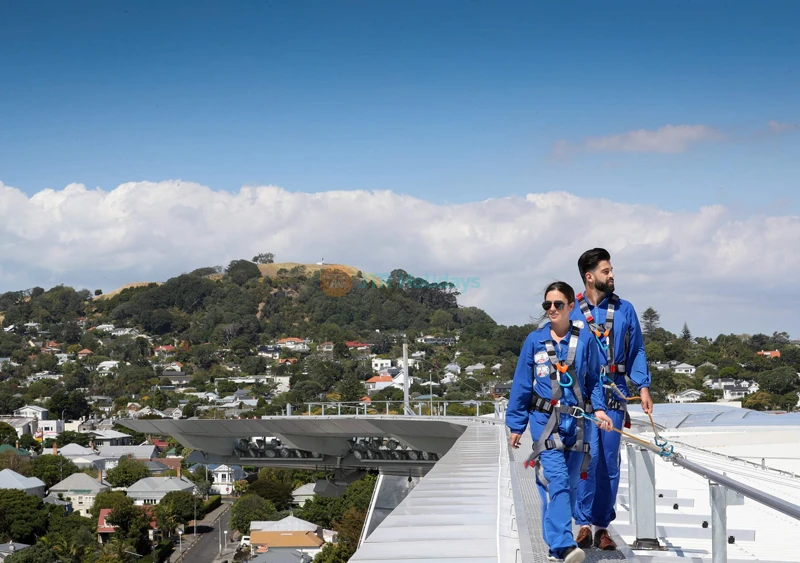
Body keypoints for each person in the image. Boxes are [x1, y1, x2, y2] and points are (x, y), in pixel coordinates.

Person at [507, 281, 613, 563]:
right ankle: (565, 544)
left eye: (557, 304)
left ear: (570, 306)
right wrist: (516, 425)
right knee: (559, 483)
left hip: (578, 424)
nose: (552, 309)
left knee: (569, 487)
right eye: (547, 305)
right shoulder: (534, 341)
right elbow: (521, 385)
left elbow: (594, 380)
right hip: (545, 421)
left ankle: (556, 550)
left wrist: (600, 410)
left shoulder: (585, 339)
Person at [571, 248, 653, 551]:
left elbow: (638, 351)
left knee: (608, 460)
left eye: (612, 270)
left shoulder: (625, 310)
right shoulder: (572, 311)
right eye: (606, 271)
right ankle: (582, 524)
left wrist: (643, 386)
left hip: (615, 390)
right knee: (584, 459)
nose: (612, 275)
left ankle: (602, 526)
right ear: (590, 277)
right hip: (581, 393)